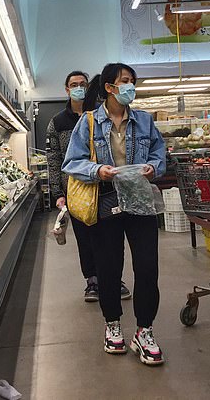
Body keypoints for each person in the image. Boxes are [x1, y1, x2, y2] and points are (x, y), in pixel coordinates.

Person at [62, 63, 166, 366]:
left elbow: (160, 155)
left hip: (140, 202)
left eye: (132, 81)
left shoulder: (145, 121)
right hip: (106, 201)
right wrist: (98, 170)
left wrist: (153, 167)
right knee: (109, 268)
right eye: (125, 81)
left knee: (148, 267)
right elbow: (72, 161)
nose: (130, 86)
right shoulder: (89, 122)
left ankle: (144, 330)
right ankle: (113, 325)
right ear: (109, 87)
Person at [47, 71, 131, 303]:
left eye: (83, 84)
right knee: (85, 238)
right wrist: (57, 193)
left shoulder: (100, 114)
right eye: (74, 84)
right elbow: (53, 159)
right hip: (76, 190)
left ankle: (115, 279)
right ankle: (92, 281)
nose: (79, 88)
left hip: (107, 187)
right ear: (66, 89)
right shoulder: (57, 122)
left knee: (110, 237)